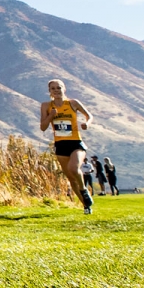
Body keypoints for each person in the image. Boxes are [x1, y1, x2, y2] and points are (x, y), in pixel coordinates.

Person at [40, 79, 94, 214]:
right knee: (71, 177)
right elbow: (43, 127)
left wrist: (87, 124)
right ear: (49, 91)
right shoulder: (46, 106)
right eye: (53, 88)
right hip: (60, 144)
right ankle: (86, 206)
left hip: (75, 142)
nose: (56, 90)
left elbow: (89, 116)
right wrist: (51, 116)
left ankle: (84, 190)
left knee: (74, 168)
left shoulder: (73, 103)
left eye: (58, 88)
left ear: (64, 89)